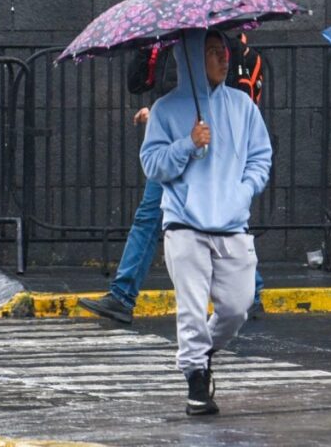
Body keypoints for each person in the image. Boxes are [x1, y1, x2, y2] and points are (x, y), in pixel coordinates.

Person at [77, 40, 265, 325]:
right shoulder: (174, 43)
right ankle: (123, 295)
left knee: (211, 220)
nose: (219, 57)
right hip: (182, 144)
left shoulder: (213, 41)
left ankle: (124, 295)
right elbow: (139, 83)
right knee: (155, 217)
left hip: (207, 146)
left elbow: (224, 100)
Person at [140, 29, 271, 415]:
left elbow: (260, 158)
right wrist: (188, 144)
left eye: (224, 51)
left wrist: (243, 192)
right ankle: (195, 380)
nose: (223, 58)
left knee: (236, 307)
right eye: (213, 52)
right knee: (192, 309)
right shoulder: (166, 109)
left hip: (231, 223)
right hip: (184, 224)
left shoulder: (243, 107)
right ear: (193, 59)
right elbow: (152, 164)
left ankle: (201, 355)